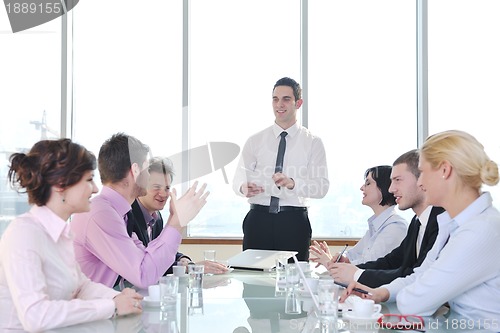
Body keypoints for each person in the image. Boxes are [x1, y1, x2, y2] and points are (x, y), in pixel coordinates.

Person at [341, 130, 500, 324]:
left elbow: (415, 302)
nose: (420, 182)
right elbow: (420, 275)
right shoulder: (454, 224)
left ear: (445, 170)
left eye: (423, 172)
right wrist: (380, 293)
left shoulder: (480, 230)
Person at [0, 139, 143, 332]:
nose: (95, 188)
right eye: (88, 179)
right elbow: (35, 316)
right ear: (61, 185)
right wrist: (111, 307)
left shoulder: (61, 234)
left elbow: (80, 286)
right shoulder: (24, 233)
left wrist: (115, 297)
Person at [71, 133, 209, 290]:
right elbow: (144, 274)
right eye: (146, 169)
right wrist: (177, 222)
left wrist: (175, 220)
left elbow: (146, 261)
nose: (148, 175)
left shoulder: (120, 214)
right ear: (135, 170)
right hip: (88, 311)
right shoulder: (101, 214)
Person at [311, 150, 444, 287]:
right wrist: (350, 269)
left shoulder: (439, 221)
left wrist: (354, 273)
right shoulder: (416, 223)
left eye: (397, 180)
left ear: (422, 179)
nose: (391, 189)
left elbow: (416, 275)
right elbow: (390, 262)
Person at [232, 77, 329, 261]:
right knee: (253, 281)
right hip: (258, 219)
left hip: (293, 222)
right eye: (275, 99)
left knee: (294, 281)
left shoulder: (313, 143)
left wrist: (293, 183)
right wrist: (243, 187)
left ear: (298, 103)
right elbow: (238, 179)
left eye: (286, 99)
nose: (279, 104)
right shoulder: (255, 140)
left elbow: (322, 187)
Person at [128, 156, 227, 275]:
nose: (163, 194)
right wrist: (189, 268)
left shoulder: (156, 217)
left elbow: (162, 251)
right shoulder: (128, 216)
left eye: (167, 188)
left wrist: (183, 260)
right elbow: (146, 265)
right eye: (156, 187)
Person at [311, 165, 408, 266]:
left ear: (384, 187)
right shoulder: (376, 225)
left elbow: (370, 265)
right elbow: (352, 255)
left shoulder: (395, 227)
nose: (362, 188)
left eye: (368, 183)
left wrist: (330, 263)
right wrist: (338, 259)